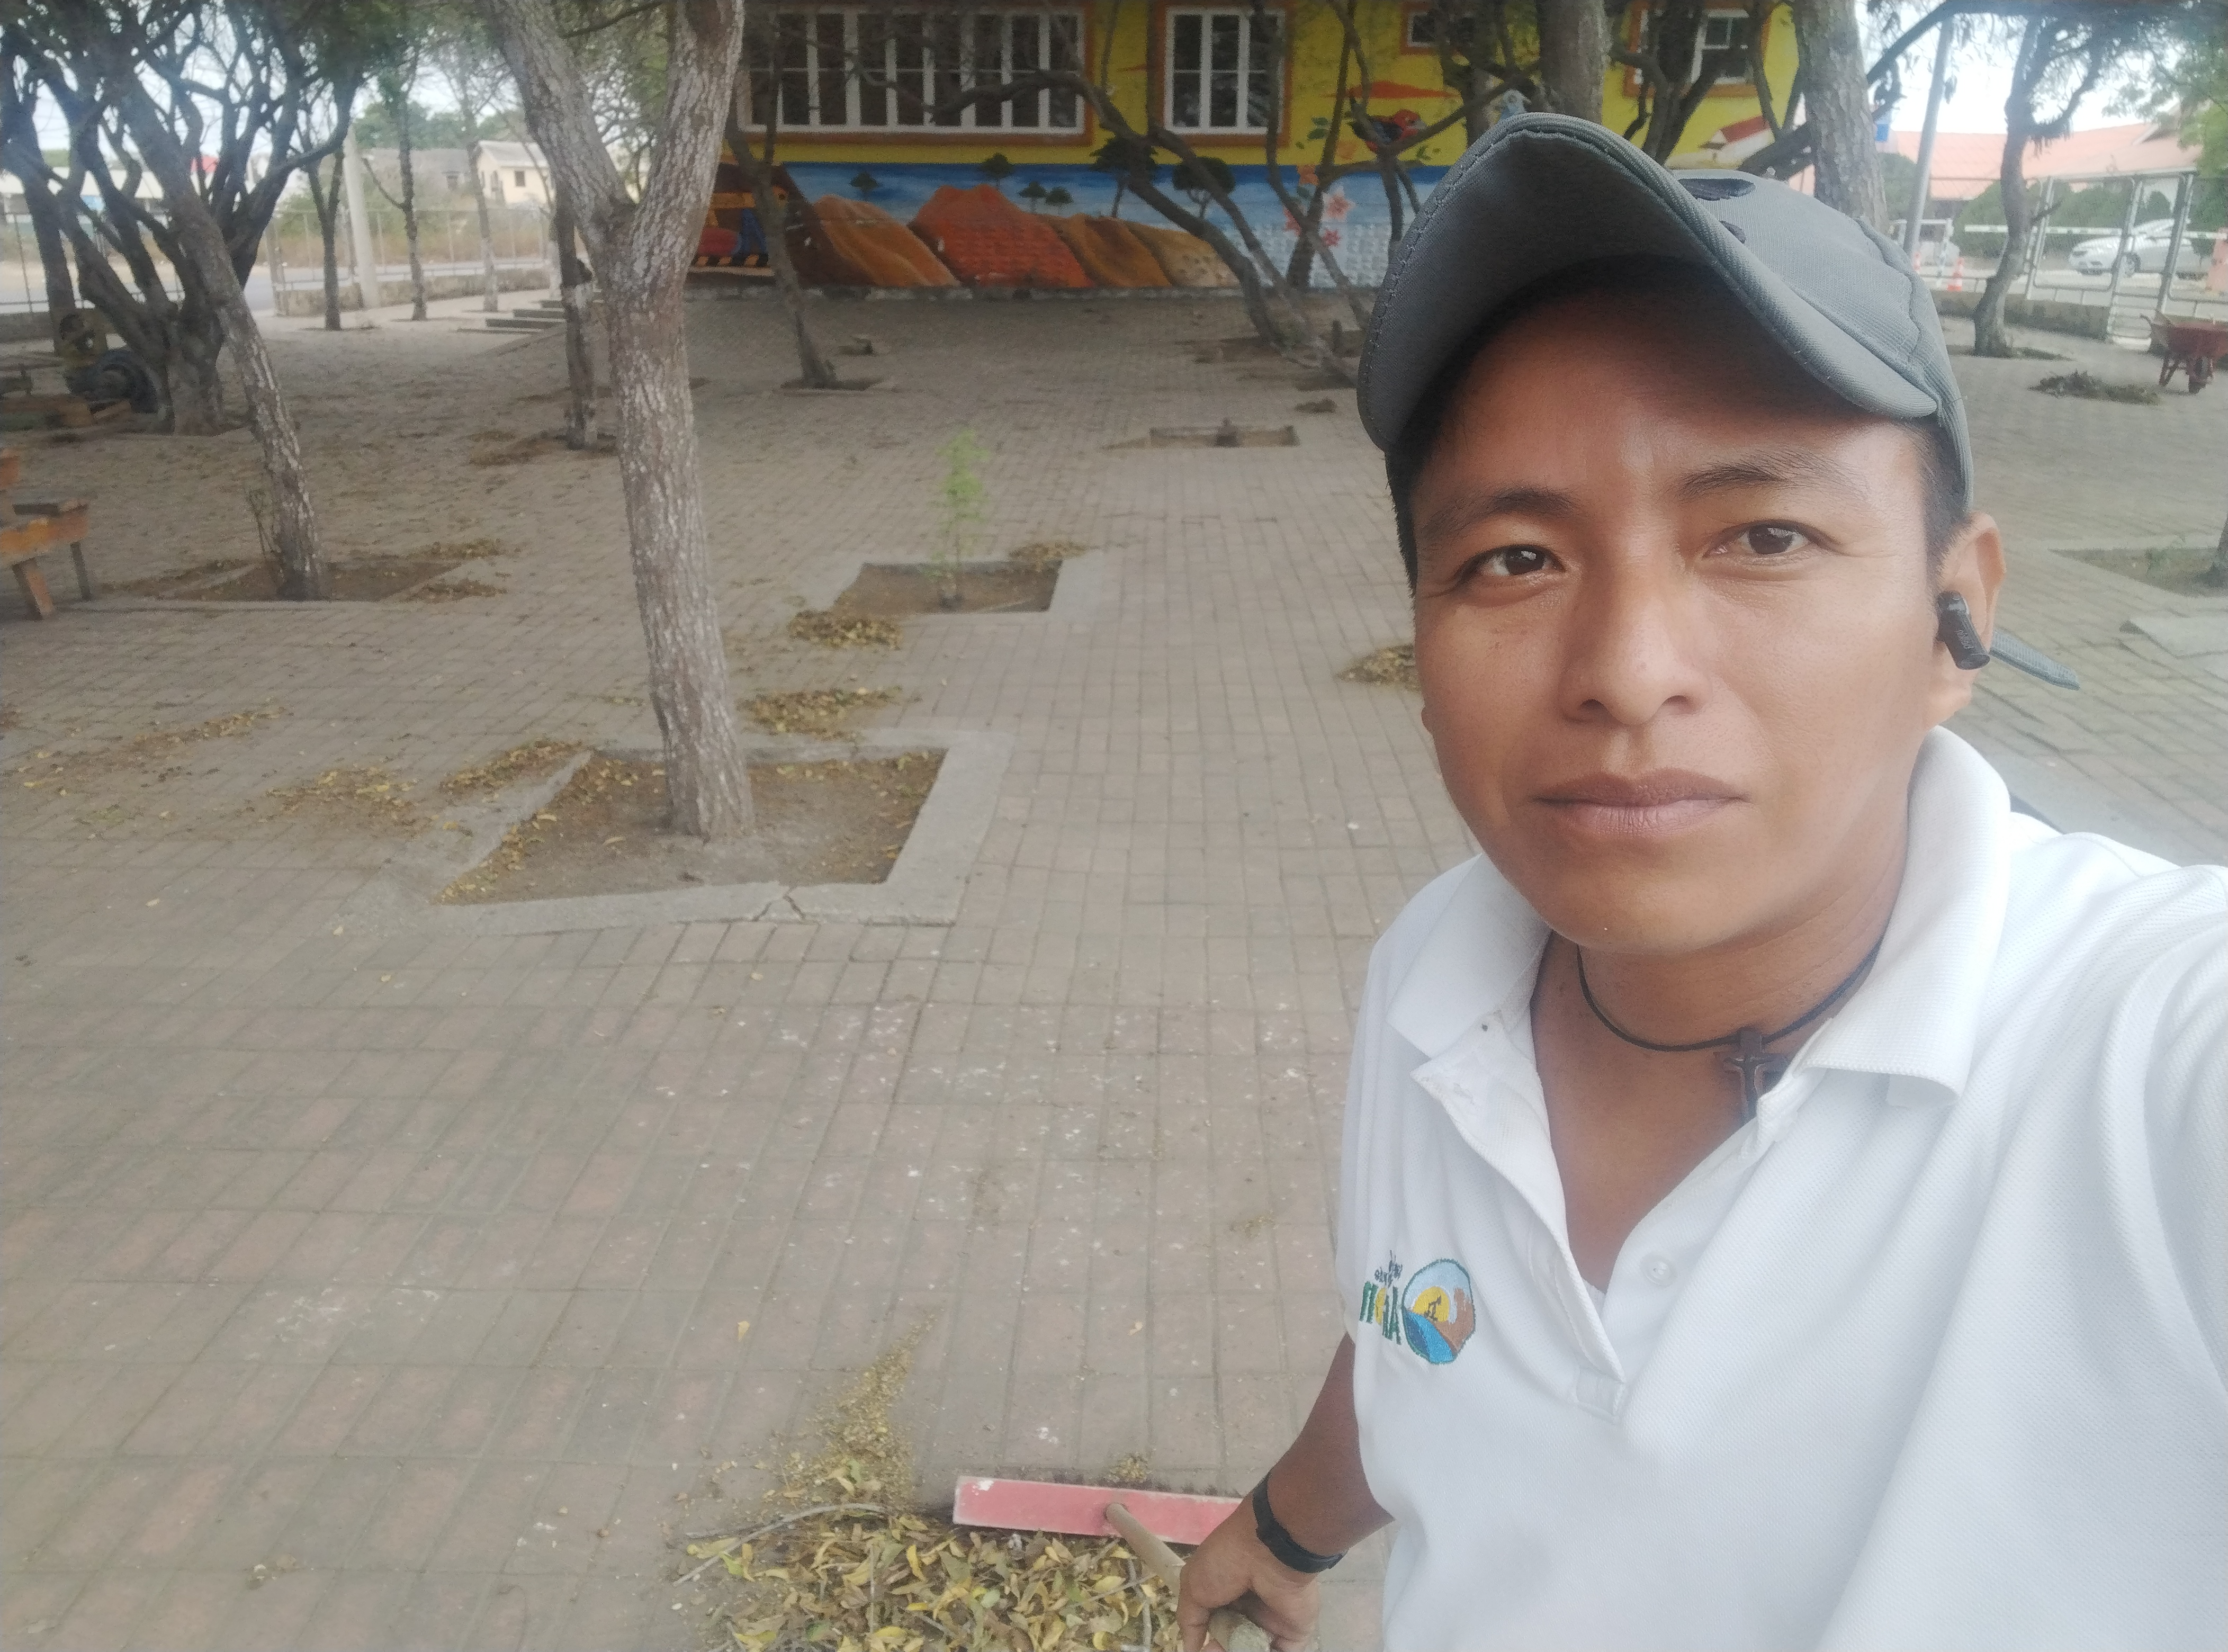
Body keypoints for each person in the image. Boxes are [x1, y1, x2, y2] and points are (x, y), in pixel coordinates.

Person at [1176, 114, 2225, 1652]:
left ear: (1957, 616)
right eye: (1514, 560)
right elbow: (1428, 1324)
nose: (1626, 669)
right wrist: (1284, 1524)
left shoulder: (2150, 1057)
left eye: (1764, 535)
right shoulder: (1435, 982)